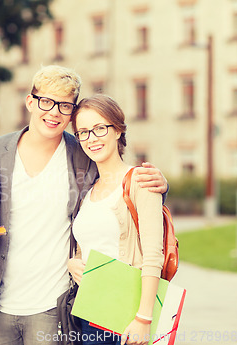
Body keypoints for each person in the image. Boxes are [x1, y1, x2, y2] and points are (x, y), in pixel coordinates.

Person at [0, 65, 168, 345]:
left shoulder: (81, 151)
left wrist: (160, 184)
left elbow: (126, 182)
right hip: (1, 302)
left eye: (64, 106)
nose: (53, 113)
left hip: (56, 305)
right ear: (30, 102)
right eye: (47, 102)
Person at [68, 94, 164, 345]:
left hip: (127, 316)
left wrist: (143, 319)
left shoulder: (140, 181)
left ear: (118, 130)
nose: (92, 138)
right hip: (91, 312)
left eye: (99, 128)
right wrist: (75, 263)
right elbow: (92, 243)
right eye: (83, 132)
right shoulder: (88, 189)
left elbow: (154, 256)